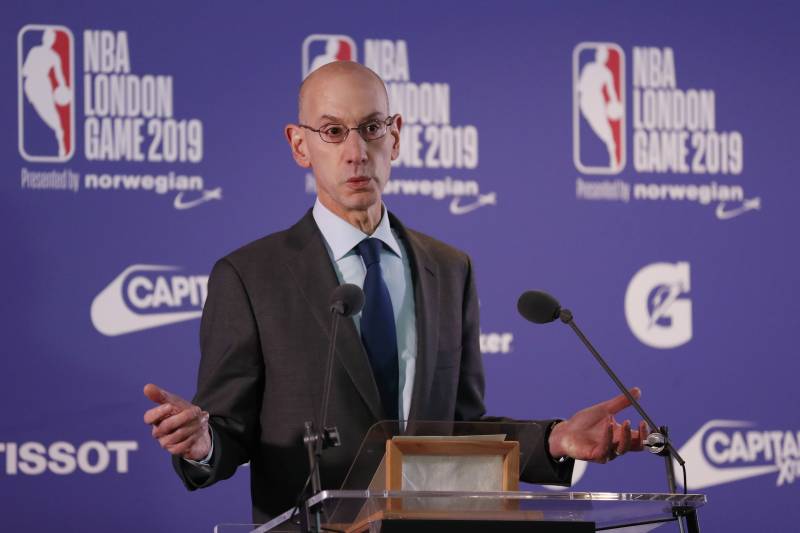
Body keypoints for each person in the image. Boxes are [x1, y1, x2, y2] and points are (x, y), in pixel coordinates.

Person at [143, 61, 647, 524]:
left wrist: (555, 439)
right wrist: (204, 441)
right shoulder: (250, 276)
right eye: (333, 131)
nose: (356, 150)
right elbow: (228, 432)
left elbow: (456, 430)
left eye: (371, 127)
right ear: (300, 145)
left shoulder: (450, 269)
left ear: (396, 135)